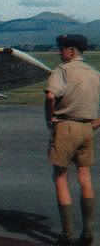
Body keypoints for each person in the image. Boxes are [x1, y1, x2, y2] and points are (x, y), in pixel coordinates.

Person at [45, 34, 100, 246]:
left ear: (70, 51)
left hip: (66, 126)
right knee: (84, 177)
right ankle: (87, 232)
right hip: (88, 128)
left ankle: (67, 234)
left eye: (62, 49)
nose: (60, 52)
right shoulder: (94, 73)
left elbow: (51, 96)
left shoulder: (62, 70)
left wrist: (51, 118)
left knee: (60, 177)